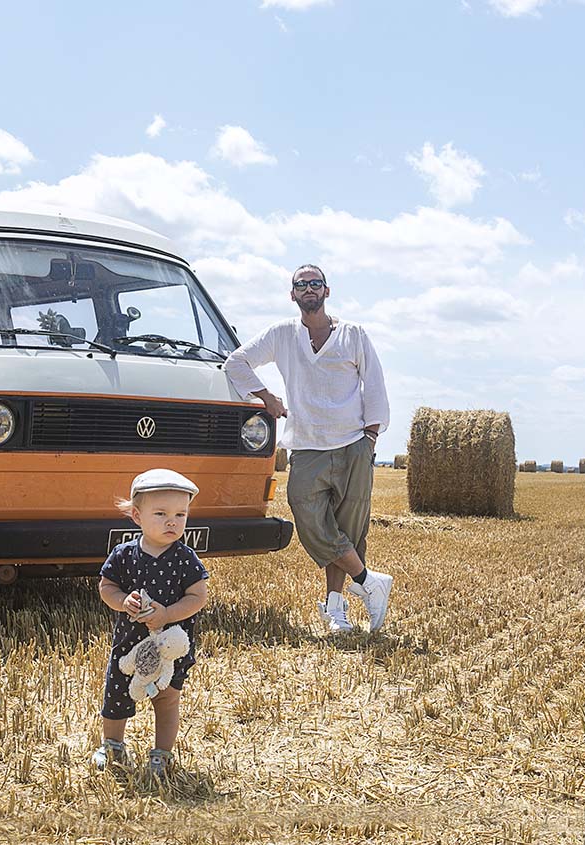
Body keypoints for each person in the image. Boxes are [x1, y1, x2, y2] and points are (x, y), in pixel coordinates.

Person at [223, 263, 392, 635]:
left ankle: (336, 610)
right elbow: (236, 362)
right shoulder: (282, 334)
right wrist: (265, 396)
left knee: (348, 529)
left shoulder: (353, 335)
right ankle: (369, 581)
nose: (309, 289)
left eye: (316, 283)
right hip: (306, 446)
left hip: (352, 446)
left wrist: (371, 439)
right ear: (293, 294)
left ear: (327, 292)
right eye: (302, 285)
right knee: (308, 516)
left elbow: (375, 386)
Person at [93, 469, 210, 781]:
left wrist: (168, 613)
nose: (172, 522)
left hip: (170, 647)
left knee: (167, 697)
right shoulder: (124, 554)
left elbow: (198, 596)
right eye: (161, 513)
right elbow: (107, 587)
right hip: (129, 643)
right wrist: (122, 601)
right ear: (136, 515)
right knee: (116, 694)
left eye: (180, 514)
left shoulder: (185, 557)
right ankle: (113, 745)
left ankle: (162, 753)